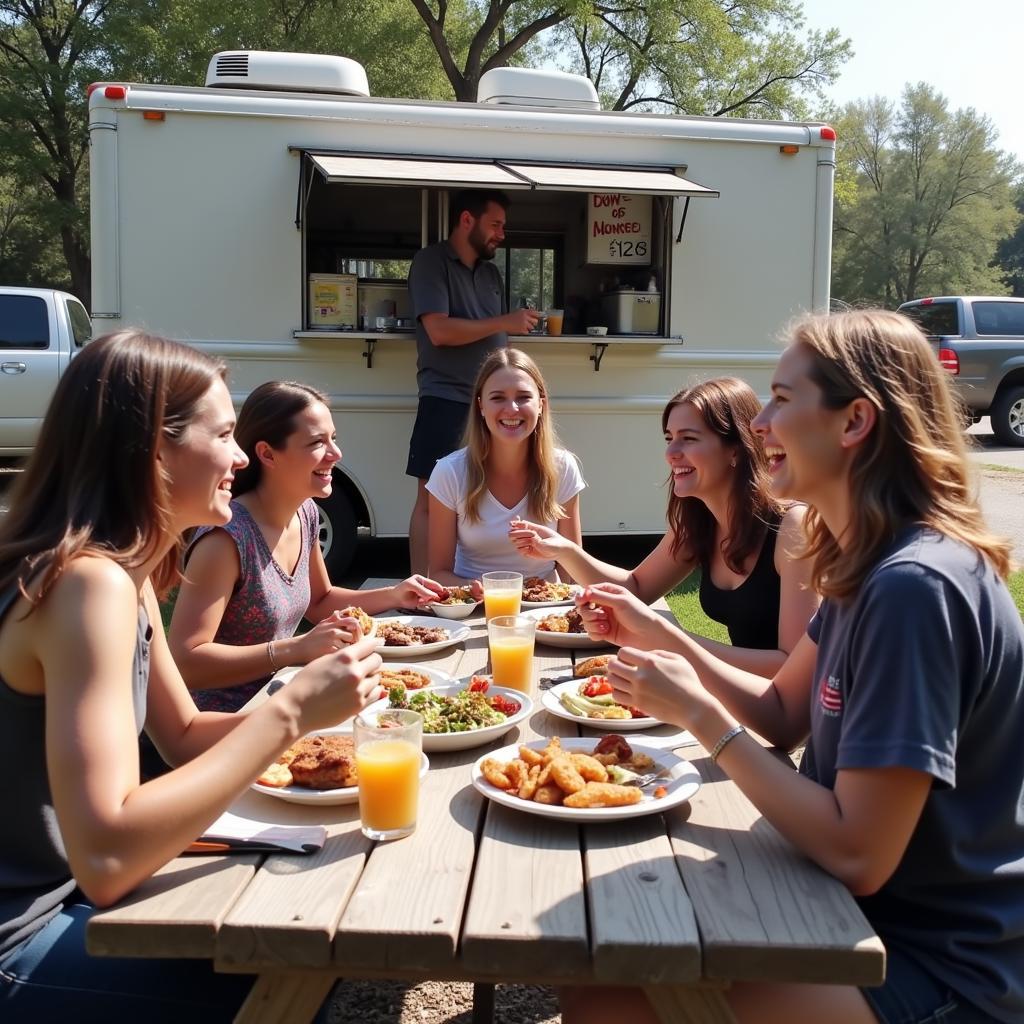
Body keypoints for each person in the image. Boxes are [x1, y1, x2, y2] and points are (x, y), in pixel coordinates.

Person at [564, 310, 1024, 1024]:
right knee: (606, 956)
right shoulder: (864, 564)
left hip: (936, 968)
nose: (760, 424)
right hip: (859, 915)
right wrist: (660, 633)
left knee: (610, 1000)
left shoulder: (914, 586)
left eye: (782, 399)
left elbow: (856, 852)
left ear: (854, 422)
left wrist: (700, 716)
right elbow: (783, 710)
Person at [0, 332, 383, 1021]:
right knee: (294, 965)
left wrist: (332, 729)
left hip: (71, 896)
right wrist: (289, 712)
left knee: (298, 920)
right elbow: (109, 857)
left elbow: (181, 736)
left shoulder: (124, 568)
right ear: (153, 449)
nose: (242, 458)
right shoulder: (88, 585)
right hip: (22, 940)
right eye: (226, 434)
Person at [169, 380, 445, 713]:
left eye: (333, 439)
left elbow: (320, 601)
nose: (336, 453)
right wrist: (295, 649)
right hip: (226, 723)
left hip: (287, 702)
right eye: (317, 442)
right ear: (267, 454)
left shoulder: (306, 512)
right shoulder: (225, 539)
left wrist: (395, 595)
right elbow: (187, 661)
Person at [509, 378, 817, 676]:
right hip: (750, 699)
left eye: (689, 438)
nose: (671, 453)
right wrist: (564, 550)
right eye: (669, 438)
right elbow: (637, 588)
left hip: (804, 720)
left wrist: (668, 641)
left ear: (736, 449)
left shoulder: (792, 528)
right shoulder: (701, 521)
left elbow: (794, 669)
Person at [406, 189, 541, 573]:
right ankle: (422, 589)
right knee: (432, 496)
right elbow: (439, 331)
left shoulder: (491, 272)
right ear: (467, 220)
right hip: (446, 397)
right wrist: (505, 322)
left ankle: (474, 574)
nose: (501, 234)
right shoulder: (431, 262)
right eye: (495, 225)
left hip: (495, 401)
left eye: (503, 226)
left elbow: (495, 334)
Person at [426, 347, 585, 589]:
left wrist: (545, 599)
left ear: (541, 405)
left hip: (544, 608)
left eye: (523, 397)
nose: (511, 409)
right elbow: (438, 573)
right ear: (480, 406)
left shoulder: (563, 467)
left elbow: (571, 569)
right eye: (498, 397)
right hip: (473, 608)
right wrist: (475, 589)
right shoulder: (449, 472)